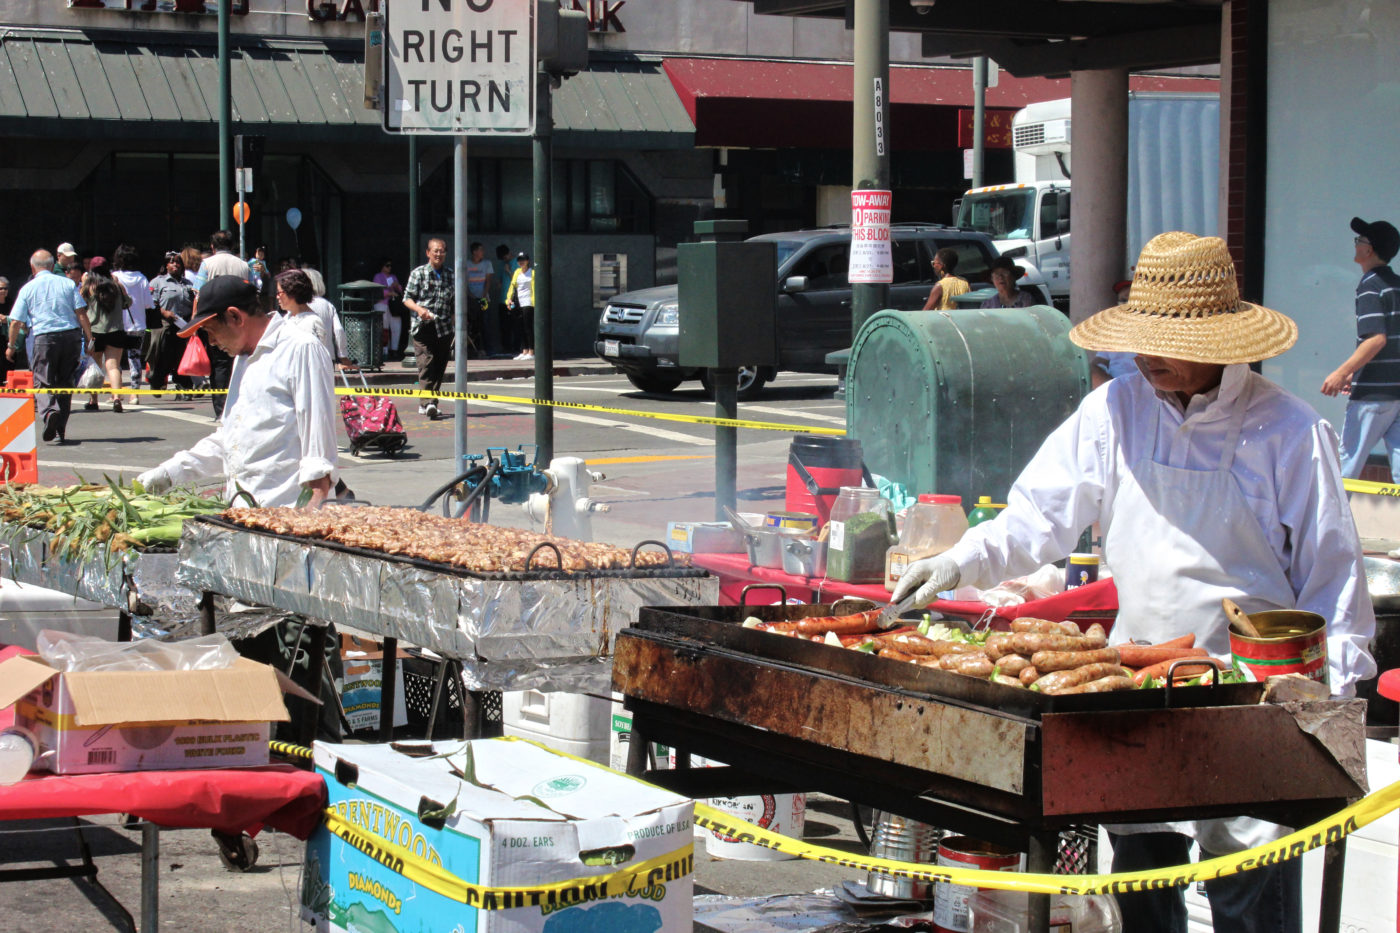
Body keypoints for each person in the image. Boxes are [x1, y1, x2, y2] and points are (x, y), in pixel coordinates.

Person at [892, 232, 1375, 933]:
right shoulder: (1113, 411)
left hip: (1252, 706)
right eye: (1139, 338)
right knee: (1143, 897)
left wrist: (1327, 711)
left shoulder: (1290, 432)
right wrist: (956, 564)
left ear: (1220, 341)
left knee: (1252, 905)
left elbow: (1335, 587)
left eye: (1165, 341)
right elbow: (1035, 519)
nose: (1145, 356)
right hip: (1133, 692)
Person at [136, 276, 338, 508]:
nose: (210, 342)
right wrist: (170, 473)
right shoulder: (243, 358)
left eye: (211, 331)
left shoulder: (301, 349)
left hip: (286, 513)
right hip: (244, 511)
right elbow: (231, 438)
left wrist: (314, 505)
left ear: (234, 316)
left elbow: (318, 436)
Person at [1323, 217, 1400, 479]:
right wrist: (1355, 374)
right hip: (1396, 392)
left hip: (1373, 395)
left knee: (1344, 473)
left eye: (1360, 240)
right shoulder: (1397, 285)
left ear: (1369, 250)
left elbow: (1376, 339)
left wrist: (1341, 372)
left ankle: (1331, 522)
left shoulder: (1371, 285)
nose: (1356, 245)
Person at [7, 250, 92, 445]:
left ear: (32, 267)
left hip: (44, 337)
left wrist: (11, 346)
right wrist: (89, 338)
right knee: (65, 381)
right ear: (53, 266)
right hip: (71, 336)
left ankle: (49, 412)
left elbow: (15, 322)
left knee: (42, 381)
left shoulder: (28, 288)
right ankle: (60, 427)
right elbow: (81, 313)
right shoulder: (68, 283)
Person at [402, 238, 455, 419]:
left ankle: (430, 400)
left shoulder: (450, 274)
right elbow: (407, 298)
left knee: (439, 366)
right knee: (426, 364)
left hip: (444, 328)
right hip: (422, 327)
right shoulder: (418, 274)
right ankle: (428, 403)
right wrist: (419, 310)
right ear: (428, 253)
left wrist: (457, 324)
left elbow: (454, 302)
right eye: (435, 251)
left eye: (441, 251)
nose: (438, 254)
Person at [80, 259, 135, 412]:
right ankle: (117, 398)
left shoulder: (88, 287)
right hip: (115, 330)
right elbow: (128, 303)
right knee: (113, 366)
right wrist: (118, 284)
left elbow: (79, 305)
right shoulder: (116, 286)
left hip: (94, 332)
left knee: (95, 367)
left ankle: (93, 400)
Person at [276, 269, 351, 368]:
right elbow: (338, 330)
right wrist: (343, 355)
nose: (277, 297)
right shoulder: (326, 305)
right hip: (326, 359)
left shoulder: (312, 321)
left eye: (279, 293)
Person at [148, 251, 196, 396]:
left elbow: (195, 301)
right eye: (172, 262)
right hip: (166, 325)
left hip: (184, 325)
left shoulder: (188, 284)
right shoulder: (158, 282)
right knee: (163, 355)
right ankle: (157, 381)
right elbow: (151, 304)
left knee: (182, 356)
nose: (175, 264)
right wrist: (164, 312)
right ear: (166, 265)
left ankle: (184, 385)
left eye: (178, 262)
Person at [111, 245, 153, 406]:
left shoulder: (114, 277)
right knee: (134, 359)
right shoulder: (142, 278)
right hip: (137, 324)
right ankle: (134, 393)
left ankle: (117, 393)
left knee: (114, 360)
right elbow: (149, 304)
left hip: (117, 324)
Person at [1090, 278, 1138, 387]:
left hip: (1138, 385)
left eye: (1130, 299)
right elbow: (1101, 358)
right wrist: (1097, 368)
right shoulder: (1112, 329)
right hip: (1112, 382)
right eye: (1122, 300)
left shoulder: (1151, 330)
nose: (1126, 305)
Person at [464, 241, 495, 359]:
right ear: (474, 252)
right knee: (472, 323)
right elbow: (464, 281)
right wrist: (469, 294)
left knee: (485, 322)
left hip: (483, 299)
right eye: (481, 250)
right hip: (471, 298)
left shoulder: (487, 264)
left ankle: (487, 349)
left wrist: (483, 295)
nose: (483, 252)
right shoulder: (467, 264)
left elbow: (488, 281)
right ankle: (475, 348)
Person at [505, 251, 535, 360]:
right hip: (519, 302)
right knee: (520, 327)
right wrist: (508, 299)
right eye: (519, 260)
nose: (521, 262)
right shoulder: (517, 272)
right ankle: (524, 350)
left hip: (529, 302)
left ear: (528, 261)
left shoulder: (532, 273)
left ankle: (531, 351)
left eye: (523, 260)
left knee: (528, 327)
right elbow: (512, 286)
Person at [373, 258, 404, 359]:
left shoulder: (393, 277)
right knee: (384, 327)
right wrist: (390, 292)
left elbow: (400, 291)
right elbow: (378, 290)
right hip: (382, 303)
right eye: (387, 265)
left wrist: (397, 286)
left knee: (396, 326)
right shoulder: (378, 276)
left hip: (393, 305)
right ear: (382, 266)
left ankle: (394, 349)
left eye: (390, 266)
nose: (389, 268)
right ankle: (384, 350)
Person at [491, 243, 513, 356]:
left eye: (506, 257)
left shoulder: (516, 263)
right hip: (502, 299)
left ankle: (514, 347)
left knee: (514, 324)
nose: (505, 260)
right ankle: (506, 347)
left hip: (513, 299)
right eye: (503, 259)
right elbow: (499, 279)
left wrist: (509, 271)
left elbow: (518, 279)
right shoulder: (502, 264)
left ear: (509, 253)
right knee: (504, 325)